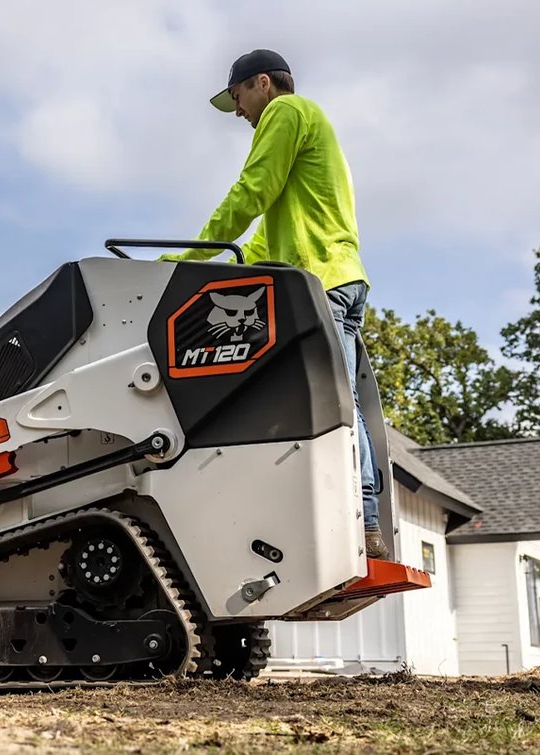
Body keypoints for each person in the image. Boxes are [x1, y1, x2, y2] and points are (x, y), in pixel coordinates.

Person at [159, 49, 389, 559]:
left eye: (238, 97)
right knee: (336, 400)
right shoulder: (312, 133)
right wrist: (200, 272)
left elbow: (252, 189)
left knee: (334, 404)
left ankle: (365, 523)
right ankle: (357, 519)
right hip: (340, 278)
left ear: (262, 83)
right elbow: (261, 245)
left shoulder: (287, 111)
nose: (239, 111)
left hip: (321, 282)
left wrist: (188, 256)